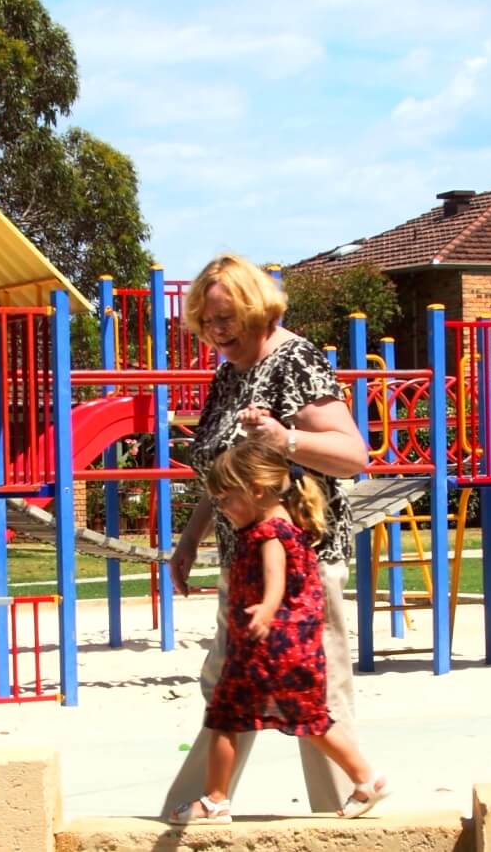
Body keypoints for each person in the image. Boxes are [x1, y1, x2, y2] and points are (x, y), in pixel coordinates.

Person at [160, 253, 370, 817]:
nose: (216, 332)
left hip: (300, 564)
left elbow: (353, 455)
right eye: (206, 323)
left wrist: (287, 440)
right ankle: (198, 809)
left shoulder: (295, 359)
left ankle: (345, 815)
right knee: (233, 690)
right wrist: (189, 541)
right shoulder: (230, 373)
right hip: (243, 560)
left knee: (312, 692)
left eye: (225, 318)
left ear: (257, 309)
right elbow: (223, 472)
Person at [169, 441, 389, 824]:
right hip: (286, 648)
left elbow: (275, 579)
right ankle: (367, 779)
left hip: (270, 648)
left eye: (225, 498)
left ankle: (216, 801)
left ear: (256, 491)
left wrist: (267, 609)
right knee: (310, 720)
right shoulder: (280, 526)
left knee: (225, 717)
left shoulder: (270, 533)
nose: (220, 507)